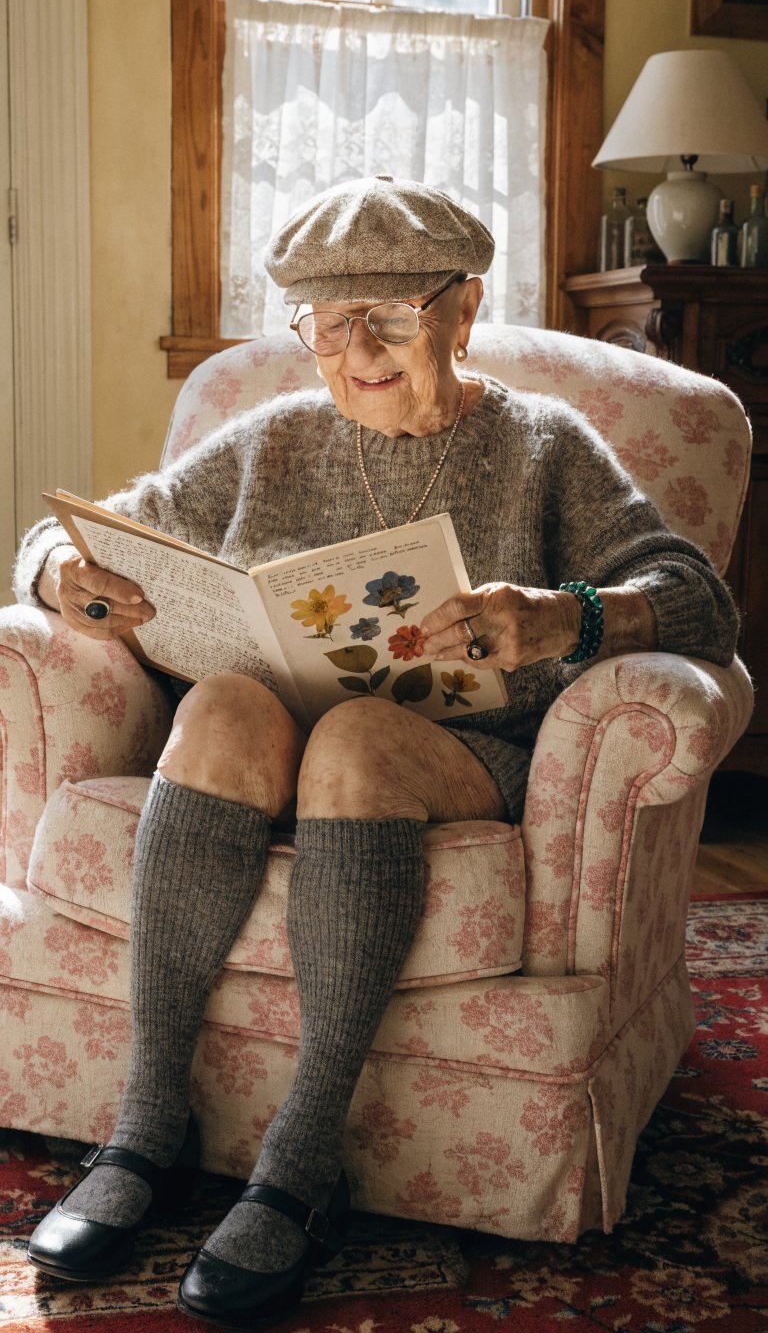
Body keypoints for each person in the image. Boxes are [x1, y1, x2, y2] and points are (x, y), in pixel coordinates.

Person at [19, 175, 738, 1327]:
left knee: (352, 735)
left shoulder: (544, 444)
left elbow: (697, 596)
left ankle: (304, 1163)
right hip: (267, 745)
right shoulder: (272, 441)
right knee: (219, 710)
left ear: (462, 309)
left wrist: (567, 616)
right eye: (321, 322)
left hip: (460, 756)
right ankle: (148, 1127)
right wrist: (62, 575)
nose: (351, 349)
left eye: (387, 318)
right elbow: (74, 530)